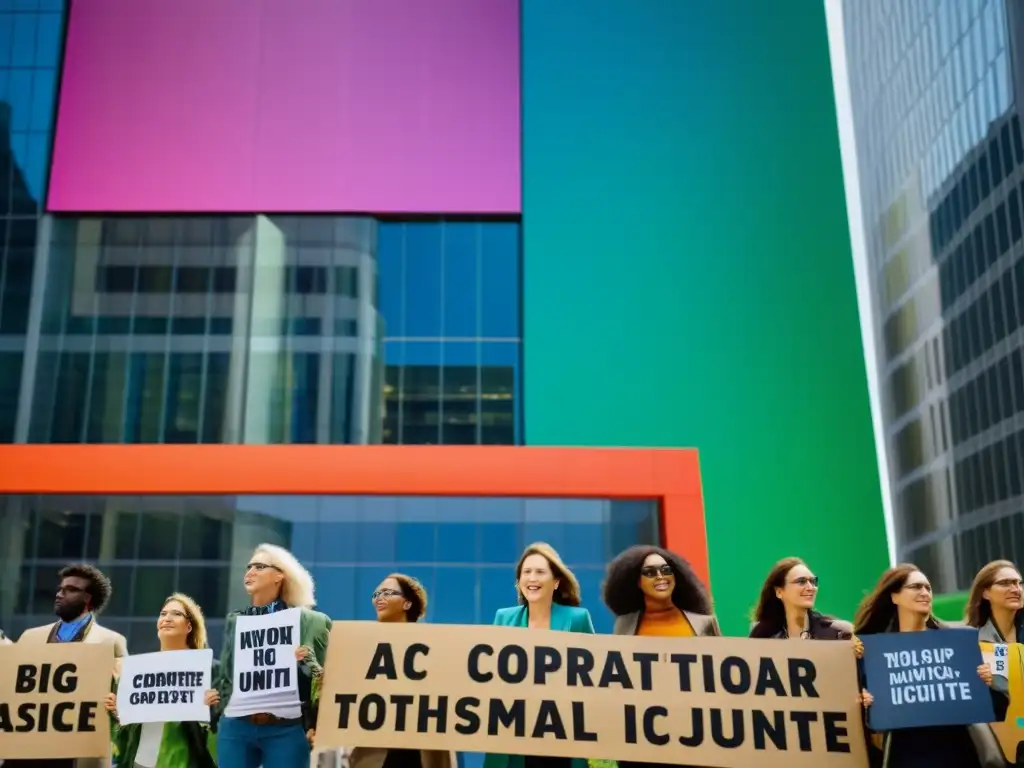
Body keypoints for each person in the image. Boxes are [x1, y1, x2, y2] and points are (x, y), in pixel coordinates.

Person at [855, 564, 1007, 768]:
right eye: (916, 587)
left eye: (928, 588)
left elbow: (998, 709)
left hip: (960, 756)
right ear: (895, 597)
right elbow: (868, 727)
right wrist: (865, 704)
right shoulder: (876, 654)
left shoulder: (959, 642)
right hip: (906, 758)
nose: (925, 593)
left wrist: (988, 684)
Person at [209, 543, 332, 768]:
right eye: (248, 567)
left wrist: (317, 723)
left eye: (259, 566)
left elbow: (324, 677)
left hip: (286, 728)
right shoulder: (235, 621)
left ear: (279, 576)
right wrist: (218, 706)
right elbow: (227, 673)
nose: (250, 572)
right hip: (236, 725)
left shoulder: (311, 622)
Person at [484, 543, 594, 768]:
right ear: (519, 582)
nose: (532, 578)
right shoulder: (503, 618)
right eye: (527, 572)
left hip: (563, 738)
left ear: (556, 582)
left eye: (540, 572)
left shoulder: (577, 619)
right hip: (514, 737)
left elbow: (597, 677)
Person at [10, 563, 128, 768]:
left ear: (89, 599)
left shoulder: (111, 642)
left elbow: (126, 698)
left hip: (76, 756)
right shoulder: (30, 637)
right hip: (26, 752)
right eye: (60, 588)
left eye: (71, 590)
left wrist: (116, 705)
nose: (60, 594)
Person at [335, 574, 456, 768]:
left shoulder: (433, 647)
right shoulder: (364, 648)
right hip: (375, 754)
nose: (379, 598)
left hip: (421, 754)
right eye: (376, 593)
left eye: (387, 592)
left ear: (407, 604)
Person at [103, 593, 217, 767]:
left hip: (181, 762)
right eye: (163, 614)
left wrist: (207, 711)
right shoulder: (138, 670)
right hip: (140, 761)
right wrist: (119, 713)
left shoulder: (207, 670)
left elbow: (218, 733)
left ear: (189, 626)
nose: (167, 618)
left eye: (176, 614)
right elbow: (121, 739)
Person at [603, 544, 721, 637]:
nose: (660, 576)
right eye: (650, 572)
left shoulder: (705, 624)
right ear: (638, 582)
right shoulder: (624, 625)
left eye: (666, 570)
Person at [749, 556, 853, 639]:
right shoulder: (762, 635)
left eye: (813, 581)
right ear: (779, 592)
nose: (811, 588)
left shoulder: (838, 632)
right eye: (801, 581)